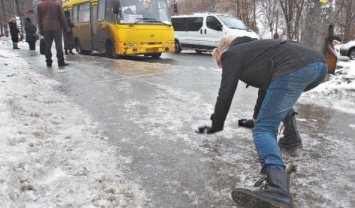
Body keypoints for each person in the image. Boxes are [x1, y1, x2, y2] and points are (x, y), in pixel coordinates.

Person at [197, 35, 327, 208]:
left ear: (221, 52)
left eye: (217, 58)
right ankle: (291, 138)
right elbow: (266, 90)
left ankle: (278, 189)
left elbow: (225, 93)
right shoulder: (257, 50)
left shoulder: (232, 54)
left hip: (296, 66)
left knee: (264, 129)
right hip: (318, 65)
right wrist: (255, 118)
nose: (220, 63)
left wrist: (216, 124)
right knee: (279, 96)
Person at [37, 0, 69, 67]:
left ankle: (48, 62)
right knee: (58, 45)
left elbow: (39, 18)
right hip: (57, 27)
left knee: (47, 46)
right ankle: (60, 62)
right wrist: (65, 28)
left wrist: (40, 29)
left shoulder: (40, 5)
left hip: (45, 28)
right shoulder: (57, 3)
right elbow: (62, 17)